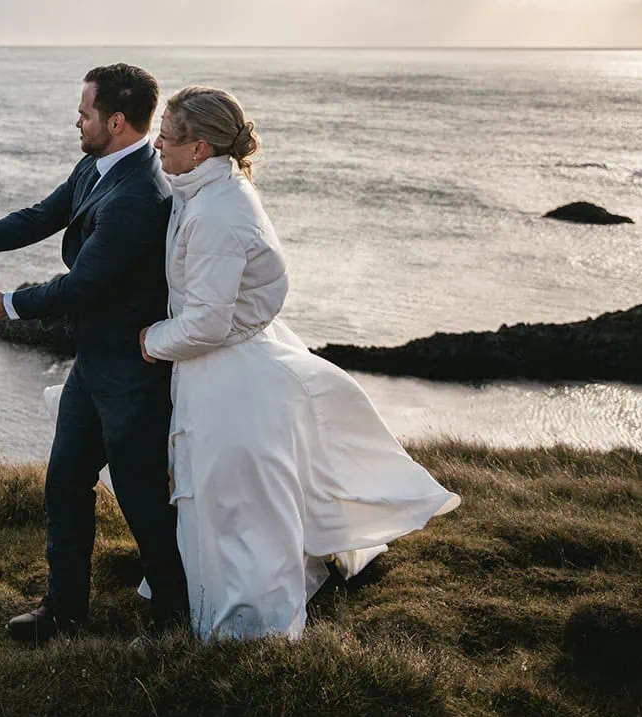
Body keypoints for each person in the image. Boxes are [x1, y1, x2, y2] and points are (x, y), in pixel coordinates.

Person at [141, 85, 460, 640]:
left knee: (230, 499)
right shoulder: (211, 189)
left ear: (200, 149)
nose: (157, 146)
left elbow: (208, 324)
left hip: (228, 379)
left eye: (167, 137)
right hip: (222, 368)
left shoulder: (217, 212)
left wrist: (150, 341)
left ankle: (248, 626)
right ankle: (205, 596)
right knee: (219, 496)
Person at [0, 63, 189, 643]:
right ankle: (63, 612)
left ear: (116, 121)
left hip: (133, 373)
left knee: (144, 504)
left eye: (85, 112)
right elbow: (43, 215)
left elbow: (81, 286)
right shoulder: (97, 166)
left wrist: (3, 305)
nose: (77, 120)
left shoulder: (139, 194)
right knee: (65, 480)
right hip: (95, 362)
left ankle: (174, 624)